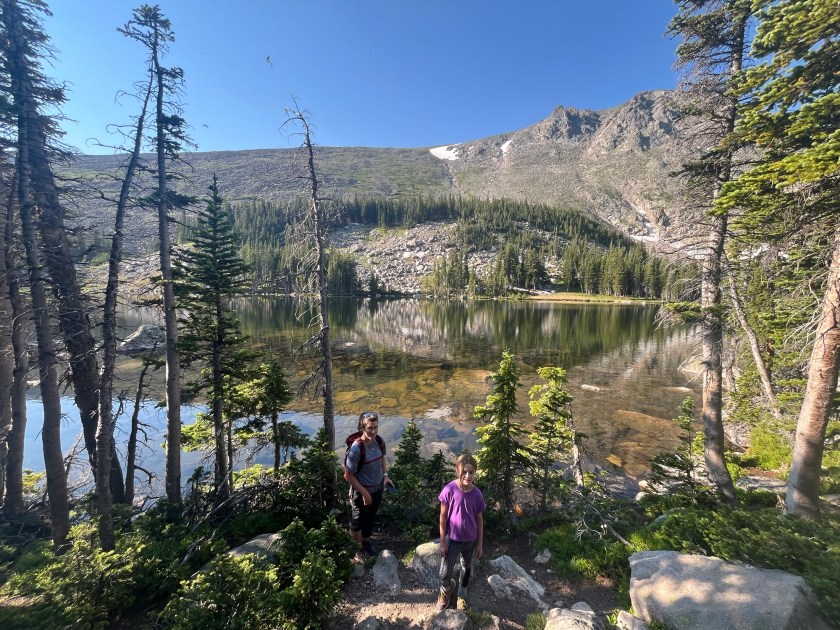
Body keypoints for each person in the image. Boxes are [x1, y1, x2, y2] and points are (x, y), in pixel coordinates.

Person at [437, 454, 485, 611]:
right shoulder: (450, 489)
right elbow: (443, 517)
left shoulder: (477, 494)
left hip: (470, 540)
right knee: (444, 573)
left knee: (466, 565)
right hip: (453, 539)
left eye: (471, 472)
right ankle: (447, 588)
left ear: (475, 473)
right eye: (464, 471)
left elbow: (479, 520)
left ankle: (462, 593)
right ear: (457, 471)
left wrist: (479, 544)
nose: (467, 476)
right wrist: (443, 541)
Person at [344, 411, 393, 556]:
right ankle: (356, 551)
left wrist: (385, 476)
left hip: (377, 488)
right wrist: (364, 492)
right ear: (362, 428)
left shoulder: (379, 441)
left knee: (370, 517)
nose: (373, 431)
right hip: (361, 491)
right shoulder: (356, 449)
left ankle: (366, 543)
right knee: (357, 521)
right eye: (370, 428)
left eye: (375, 427)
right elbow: (349, 475)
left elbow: (382, 459)